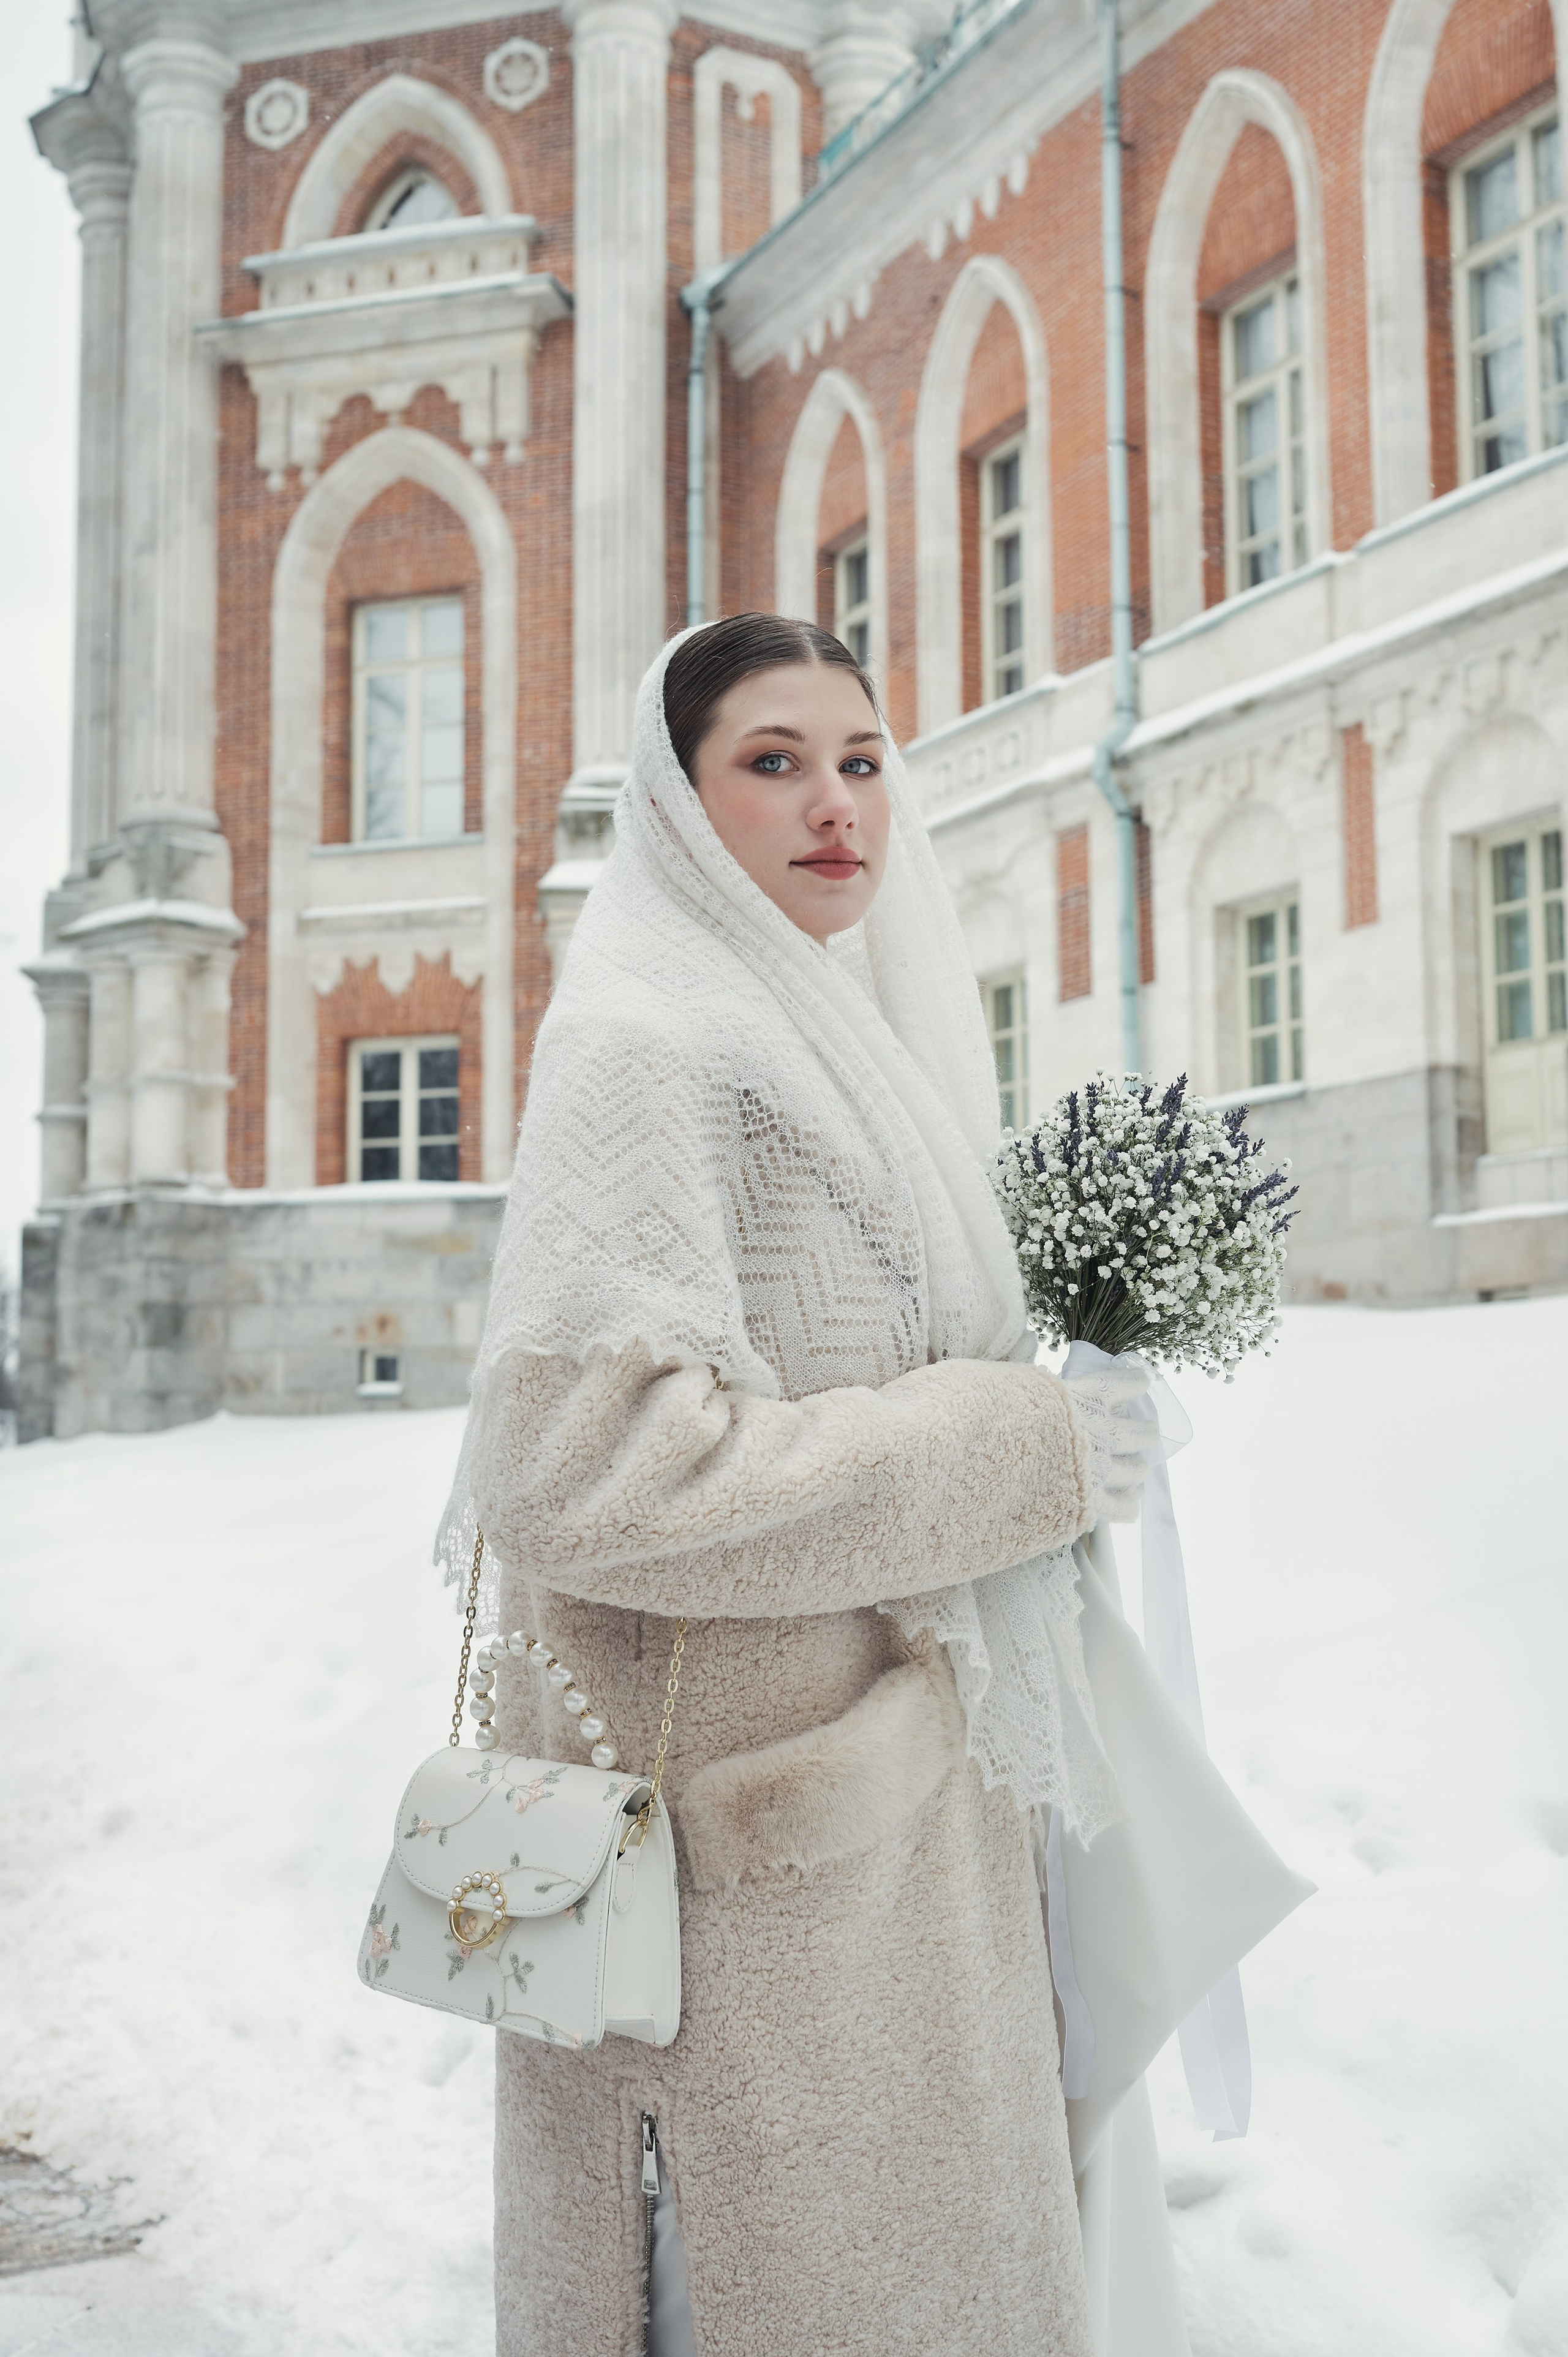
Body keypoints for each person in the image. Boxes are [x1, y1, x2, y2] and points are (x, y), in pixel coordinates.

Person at [440, 614, 1157, 2357]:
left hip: (886, 1848)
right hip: (735, 1881)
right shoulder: (651, 1043)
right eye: (774, 762)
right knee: (770, 2295)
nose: (837, 805)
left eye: (860, 759)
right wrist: (1015, 1446)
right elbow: (589, 1470)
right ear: (684, 808)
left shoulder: (824, 1027)